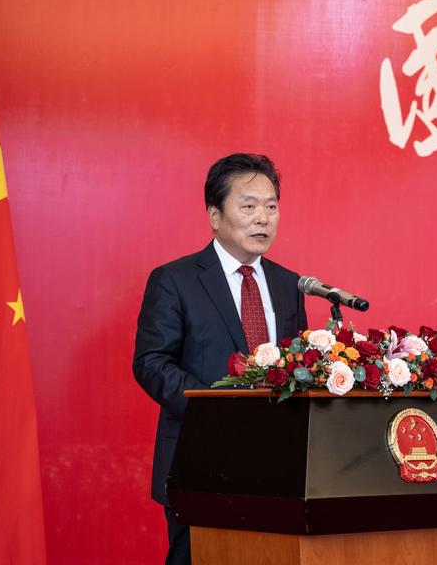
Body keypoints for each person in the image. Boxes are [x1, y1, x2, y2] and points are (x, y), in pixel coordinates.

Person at [132, 153, 308, 565]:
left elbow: (297, 365)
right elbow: (151, 362)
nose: (263, 218)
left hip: (277, 465)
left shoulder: (289, 284)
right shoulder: (175, 280)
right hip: (198, 459)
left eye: (271, 207)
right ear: (215, 215)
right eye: (248, 206)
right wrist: (215, 411)